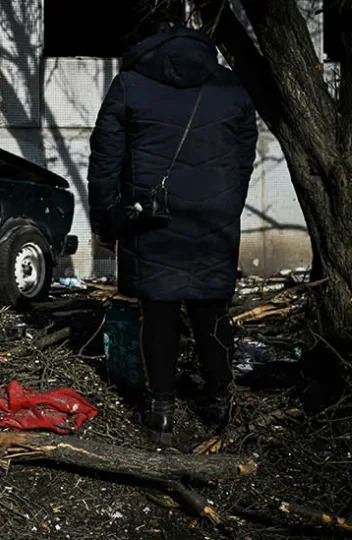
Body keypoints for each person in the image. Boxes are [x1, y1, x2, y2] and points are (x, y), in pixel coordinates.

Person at [87, 16, 258, 444]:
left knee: (158, 312)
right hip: (214, 217)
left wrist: (108, 219)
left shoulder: (130, 84)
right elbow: (244, 155)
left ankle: (161, 410)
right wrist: (228, 206)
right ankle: (219, 402)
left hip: (151, 218)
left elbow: (104, 160)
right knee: (211, 309)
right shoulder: (229, 86)